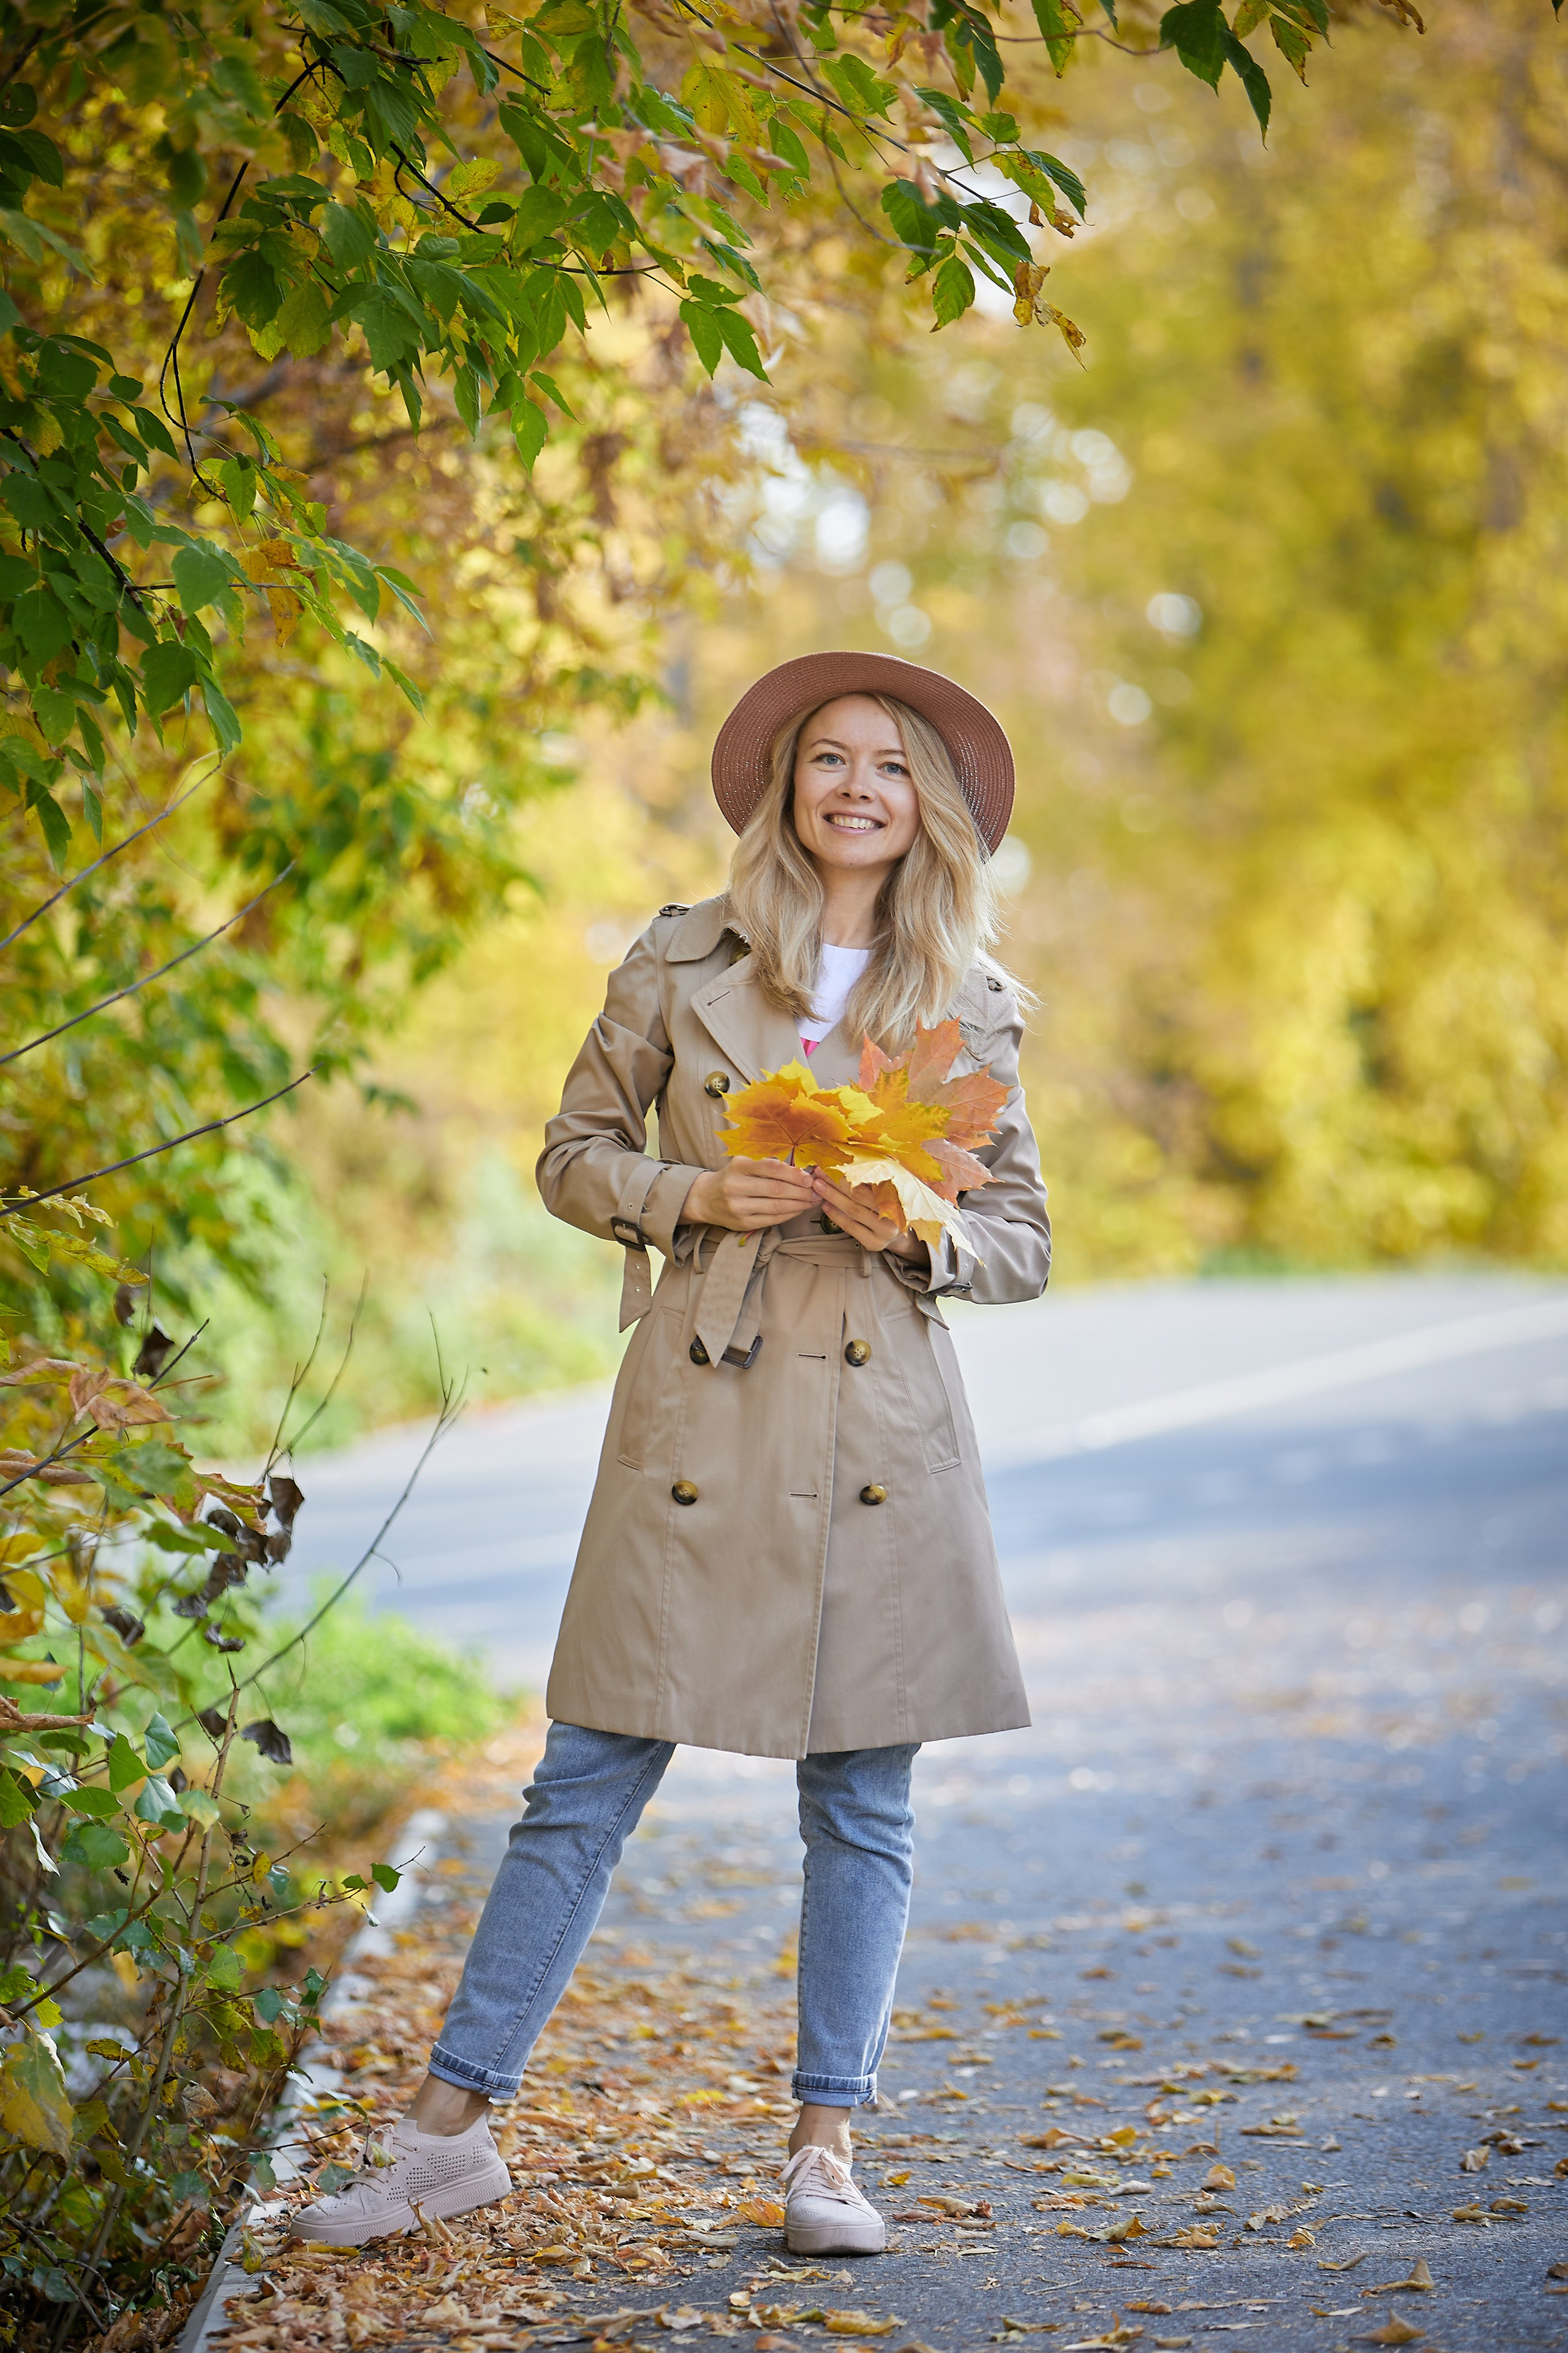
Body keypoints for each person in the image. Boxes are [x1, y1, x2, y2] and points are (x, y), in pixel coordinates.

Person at [292, 651, 1051, 2256]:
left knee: (862, 1795)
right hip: (702, 1394)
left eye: (890, 766)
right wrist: (697, 1195)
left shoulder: (972, 1004)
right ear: (787, 786)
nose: (857, 785)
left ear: (932, 810)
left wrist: (914, 1222)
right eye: (829, 758)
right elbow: (574, 1153)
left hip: (879, 1421)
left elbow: (1024, 1240)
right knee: (582, 1776)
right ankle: (446, 2135)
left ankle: (825, 2151)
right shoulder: (679, 957)